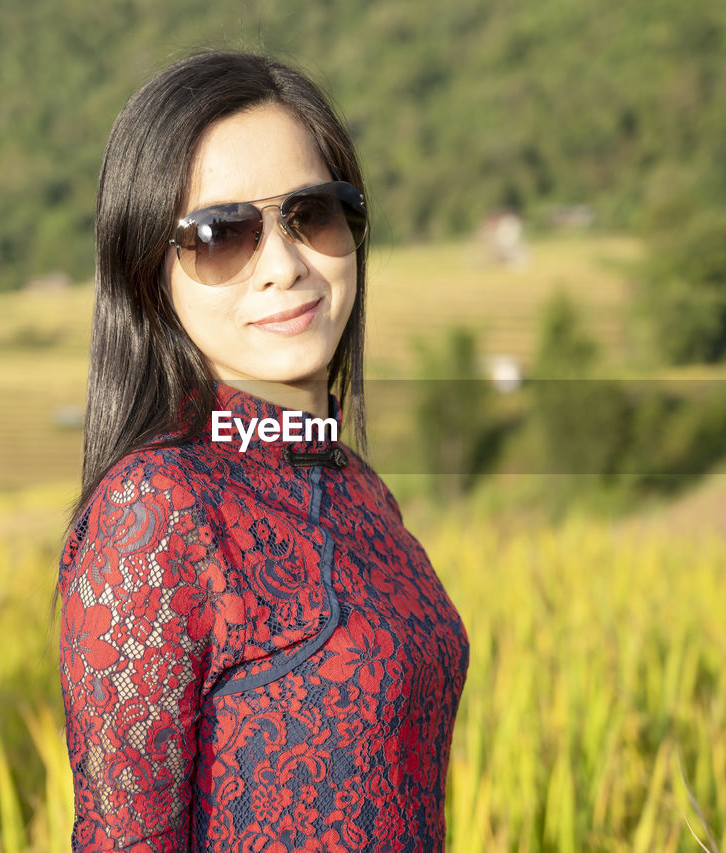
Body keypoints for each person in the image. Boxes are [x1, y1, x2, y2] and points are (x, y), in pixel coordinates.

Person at [57, 50, 470, 852]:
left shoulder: (357, 487)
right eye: (220, 235)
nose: (283, 265)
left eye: (312, 213)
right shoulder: (158, 508)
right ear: (149, 275)